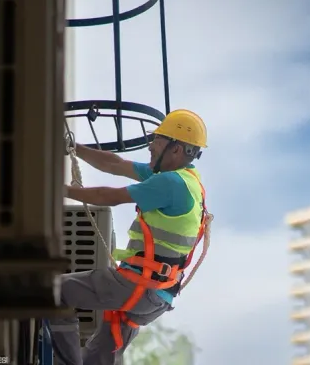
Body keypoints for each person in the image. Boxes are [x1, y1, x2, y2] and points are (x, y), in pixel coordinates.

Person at [47, 109, 209, 365]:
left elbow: (106, 196)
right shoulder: (184, 181)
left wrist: (55, 189)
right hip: (157, 295)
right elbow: (115, 164)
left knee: (55, 292)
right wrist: (74, 148)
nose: (150, 146)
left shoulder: (171, 185)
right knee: (98, 359)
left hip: (139, 285)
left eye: (157, 139)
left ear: (176, 149)